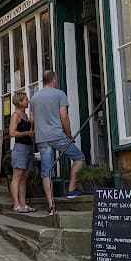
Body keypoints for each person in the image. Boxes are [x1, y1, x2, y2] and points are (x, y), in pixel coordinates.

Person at [30, 69, 85, 214]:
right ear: (54, 79)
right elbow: (63, 116)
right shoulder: (59, 94)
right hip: (57, 135)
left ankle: (51, 206)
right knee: (79, 158)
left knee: (46, 171)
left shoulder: (34, 98)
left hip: (42, 138)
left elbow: (32, 119)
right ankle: (71, 189)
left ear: (43, 80)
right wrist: (69, 134)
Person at [8, 91, 36, 213]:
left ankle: (23, 204)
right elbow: (11, 133)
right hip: (20, 148)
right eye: (26, 100)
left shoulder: (25, 115)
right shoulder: (16, 116)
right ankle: (16, 205)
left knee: (24, 177)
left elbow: (32, 124)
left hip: (29, 148)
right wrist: (26, 133)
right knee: (17, 177)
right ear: (19, 102)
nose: (28, 101)